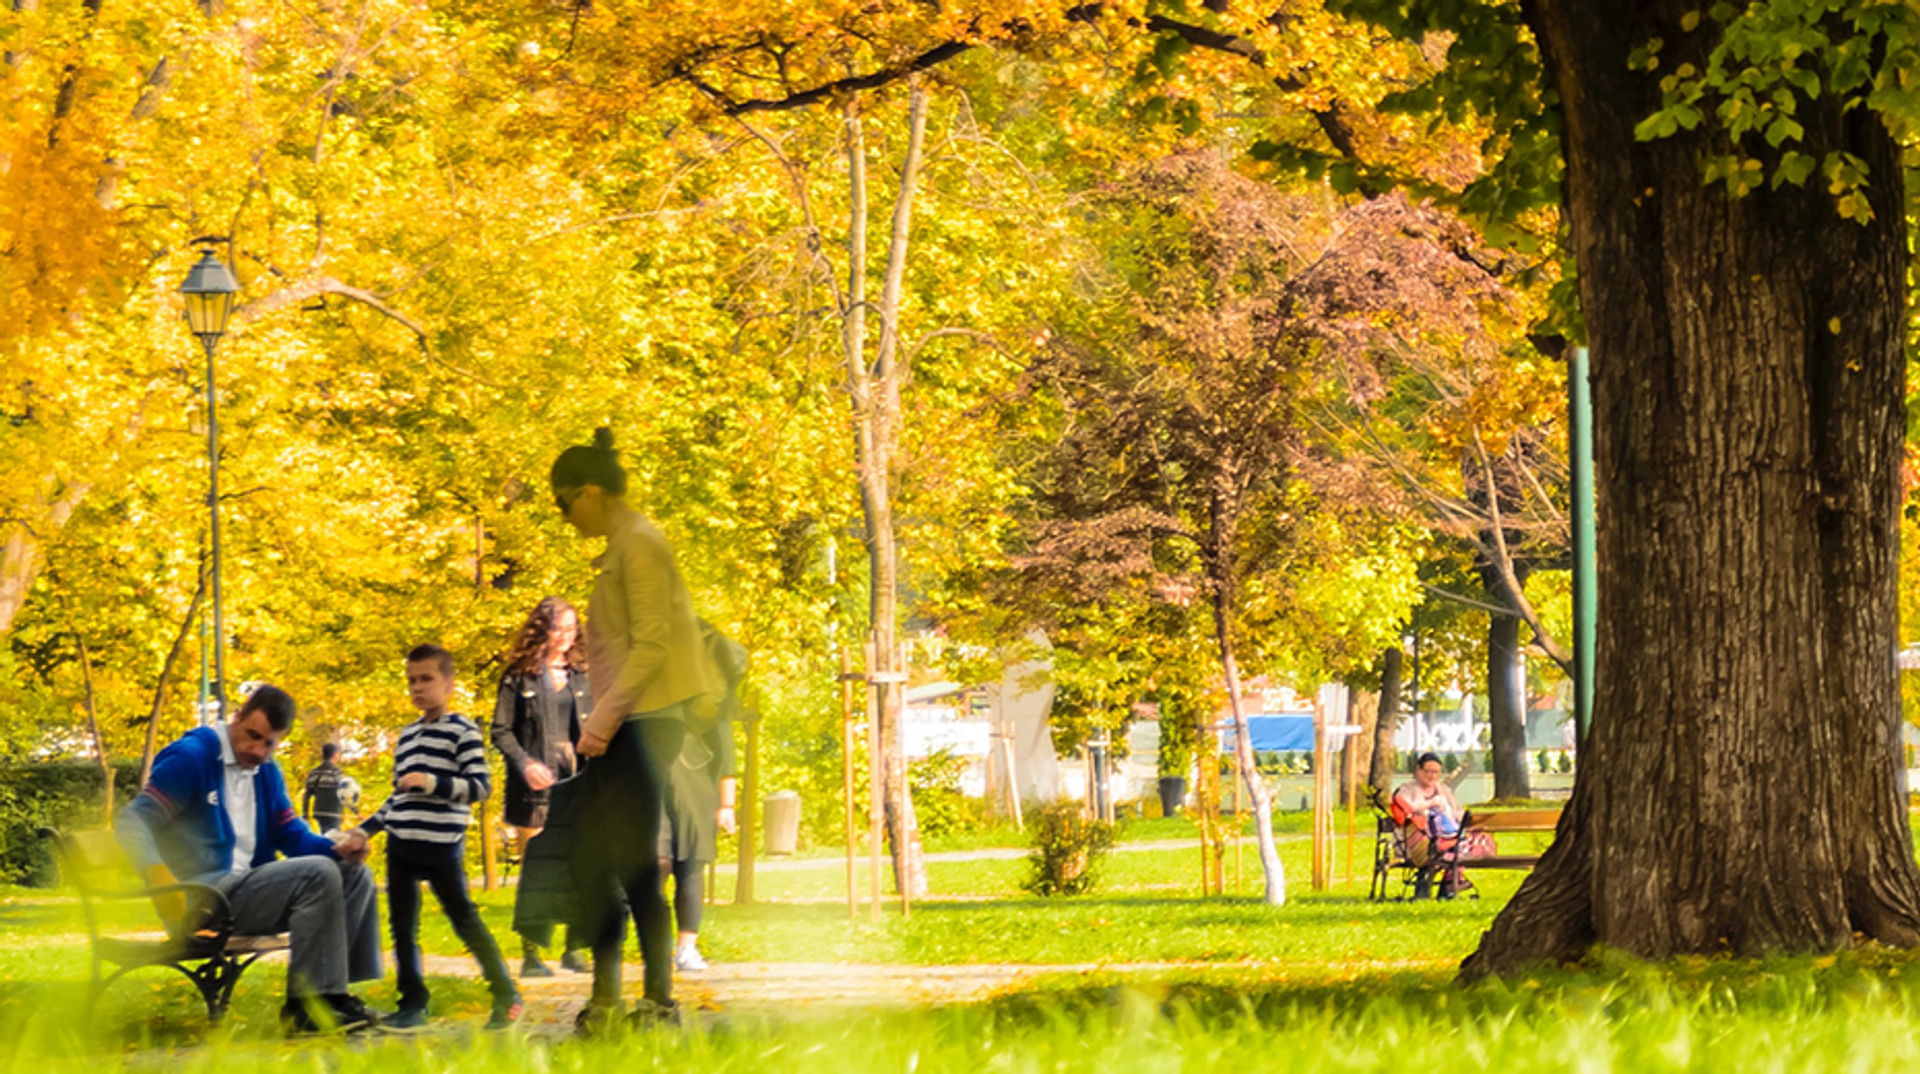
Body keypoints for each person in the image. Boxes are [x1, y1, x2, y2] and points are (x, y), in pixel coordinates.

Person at [551, 427, 721, 1032]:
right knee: (597, 860)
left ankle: (655, 1002)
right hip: (631, 721)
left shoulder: (641, 545)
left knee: (629, 861)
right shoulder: (625, 545)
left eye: (564, 502)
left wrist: (600, 721)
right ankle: (610, 999)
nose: (564, 517)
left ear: (592, 492)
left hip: (647, 723)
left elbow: (650, 647)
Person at [117, 685, 383, 1034]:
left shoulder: (267, 772)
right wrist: (158, 877)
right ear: (237, 716)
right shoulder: (192, 758)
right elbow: (132, 821)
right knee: (318, 874)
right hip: (201, 896)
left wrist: (337, 848)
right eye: (252, 736)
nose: (257, 750)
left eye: (269, 743)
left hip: (246, 888)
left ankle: (333, 995)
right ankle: (305, 1008)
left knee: (353, 873)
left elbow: (292, 836)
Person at [353, 644, 521, 1030]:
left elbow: (480, 788)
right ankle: (413, 1003)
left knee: (465, 919)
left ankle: (505, 992)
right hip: (401, 845)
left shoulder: (462, 732)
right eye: (411, 680)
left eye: (426, 679)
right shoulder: (407, 737)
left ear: (449, 684)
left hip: (442, 846)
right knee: (402, 928)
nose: (417, 687)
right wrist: (364, 831)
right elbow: (398, 798)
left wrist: (432, 782)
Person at [491, 595, 592, 977]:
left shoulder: (583, 673)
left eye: (572, 629)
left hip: (579, 781)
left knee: (582, 864)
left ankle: (575, 948)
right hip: (533, 786)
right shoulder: (519, 676)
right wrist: (524, 763)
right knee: (537, 866)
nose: (567, 636)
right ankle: (532, 955)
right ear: (542, 630)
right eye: (559, 629)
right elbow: (500, 731)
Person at [659, 622, 745, 972]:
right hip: (660, 786)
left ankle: (686, 947)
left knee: (690, 866)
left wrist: (727, 805)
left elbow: (726, 756)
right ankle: (658, 946)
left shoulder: (712, 707)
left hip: (697, 789)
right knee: (656, 864)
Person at [1392, 752, 1493, 897]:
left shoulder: (1444, 791)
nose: (1432, 776)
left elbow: (1457, 813)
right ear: (1418, 770)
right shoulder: (1407, 790)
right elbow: (1405, 808)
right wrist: (1430, 804)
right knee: (1454, 846)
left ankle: (1449, 884)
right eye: (1428, 771)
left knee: (1465, 843)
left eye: (1436, 772)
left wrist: (1470, 821)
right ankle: (1450, 883)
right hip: (1418, 843)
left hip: (1445, 839)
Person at [302, 743, 346, 834]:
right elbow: (344, 793)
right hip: (334, 812)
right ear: (335, 754)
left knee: (324, 835)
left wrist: (305, 814)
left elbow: (307, 794)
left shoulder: (314, 772)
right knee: (332, 839)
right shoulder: (337, 773)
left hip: (319, 811)